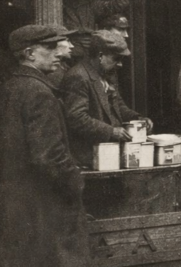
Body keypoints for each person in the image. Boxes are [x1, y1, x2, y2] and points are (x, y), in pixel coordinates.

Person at [0, 25, 110, 267]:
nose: (63, 50)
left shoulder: (14, 87)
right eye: (52, 46)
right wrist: (73, 182)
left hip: (21, 199)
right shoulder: (37, 93)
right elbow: (48, 156)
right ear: (29, 54)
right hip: (39, 201)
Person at [61, 30, 151, 167]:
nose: (120, 64)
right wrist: (111, 131)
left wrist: (137, 119)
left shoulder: (106, 75)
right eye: (116, 59)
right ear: (100, 56)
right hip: (88, 158)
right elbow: (76, 118)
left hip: (108, 155)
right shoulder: (78, 76)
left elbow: (118, 107)